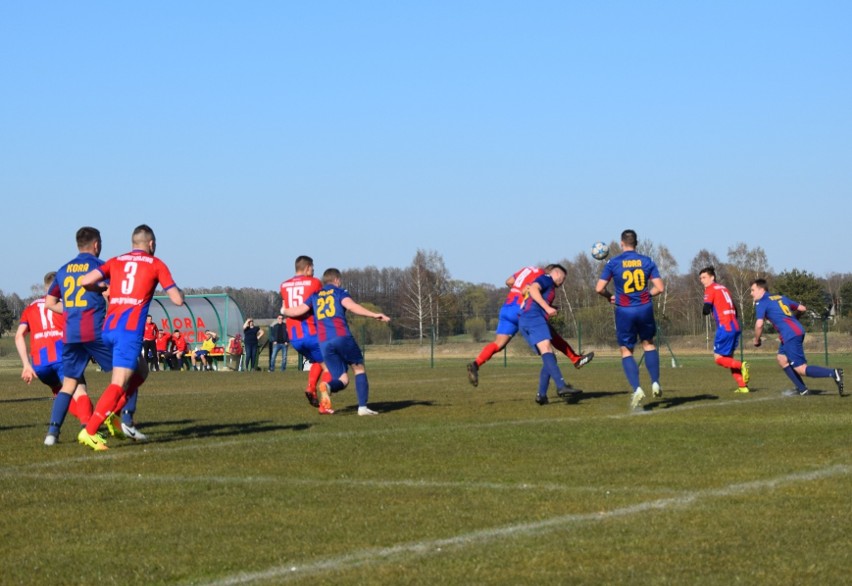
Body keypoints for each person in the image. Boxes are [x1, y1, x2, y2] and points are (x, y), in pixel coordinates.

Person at [76, 224, 184, 451]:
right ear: (151, 244)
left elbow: (85, 281)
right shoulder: (156, 264)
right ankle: (91, 430)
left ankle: (111, 413)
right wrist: (178, 291)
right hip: (129, 331)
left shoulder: (116, 260)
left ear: (133, 243)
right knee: (119, 382)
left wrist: (104, 288)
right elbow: (177, 300)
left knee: (141, 370)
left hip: (109, 328)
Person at [282, 267, 390, 415]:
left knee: (342, 378)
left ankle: (327, 386)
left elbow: (298, 311)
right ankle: (362, 408)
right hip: (341, 336)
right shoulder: (340, 292)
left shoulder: (315, 295)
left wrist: (283, 311)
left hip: (324, 342)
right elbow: (352, 307)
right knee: (358, 369)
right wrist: (374, 315)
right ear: (337, 280)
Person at [43, 227, 115, 446]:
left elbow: (49, 303)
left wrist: (72, 311)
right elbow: (110, 294)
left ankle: (52, 434)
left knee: (69, 384)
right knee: (126, 371)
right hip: (94, 330)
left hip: (72, 333)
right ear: (96, 244)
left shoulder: (63, 270)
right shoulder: (100, 266)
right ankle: (119, 420)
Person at [466, 265, 594, 387]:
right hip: (521, 310)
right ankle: (574, 359)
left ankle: (476, 364)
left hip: (507, 308)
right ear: (551, 271)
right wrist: (540, 303)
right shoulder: (542, 275)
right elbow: (528, 289)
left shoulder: (526, 269)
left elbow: (509, 282)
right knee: (550, 336)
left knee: (498, 344)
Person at [15, 271, 94, 442]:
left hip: (40, 364)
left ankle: (78, 425)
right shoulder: (63, 305)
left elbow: (19, 335)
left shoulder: (30, 308)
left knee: (61, 392)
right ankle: (87, 429)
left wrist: (26, 365)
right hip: (62, 357)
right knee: (80, 391)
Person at [595, 229, 665, 410]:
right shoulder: (647, 261)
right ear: (636, 243)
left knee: (626, 350)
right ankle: (655, 382)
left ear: (621, 243)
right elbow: (659, 288)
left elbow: (599, 288)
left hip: (625, 310)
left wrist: (610, 296)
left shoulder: (613, 263)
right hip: (644, 308)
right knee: (648, 344)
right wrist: (646, 295)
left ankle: (637, 388)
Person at [750, 278, 844, 396]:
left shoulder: (761, 302)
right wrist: (795, 319)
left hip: (790, 334)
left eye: (752, 290)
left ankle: (834, 373)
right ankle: (802, 389)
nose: (751, 293)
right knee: (782, 359)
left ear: (761, 289)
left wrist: (757, 340)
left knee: (800, 368)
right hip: (796, 331)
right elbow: (802, 308)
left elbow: (759, 324)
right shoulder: (780, 297)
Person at [517, 264, 581, 405]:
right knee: (547, 350)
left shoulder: (549, 286)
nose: (563, 282)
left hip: (525, 320)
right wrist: (546, 307)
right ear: (557, 274)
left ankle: (542, 395)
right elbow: (534, 289)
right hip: (533, 317)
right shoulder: (547, 278)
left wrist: (548, 307)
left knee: (549, 358)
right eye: (563, 278)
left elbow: (529, 294)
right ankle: (561, 386)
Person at [279, 255, 329, 408]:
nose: (314, 271)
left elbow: (284, 308)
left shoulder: (284, 285)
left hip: (294, 337)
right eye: (312, 267)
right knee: (332, 367)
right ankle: (324, 404)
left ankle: (311, 388)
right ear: (307, 267)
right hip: (311, 332)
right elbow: (321, 305)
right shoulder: (314, 283)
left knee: (317, 361)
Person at [699, 267, 750, 393]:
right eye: (700, 278)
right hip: (735, 326)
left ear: (712, 277)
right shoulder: (724, 288)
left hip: (725, 327)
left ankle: (741, 365)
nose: (702, 280)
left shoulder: (710, 289)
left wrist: (707, 310)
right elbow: (735, 309)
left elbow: (706, 308)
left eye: (704, 277)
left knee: (718, 358)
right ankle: (742, 386)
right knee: (729, 358)